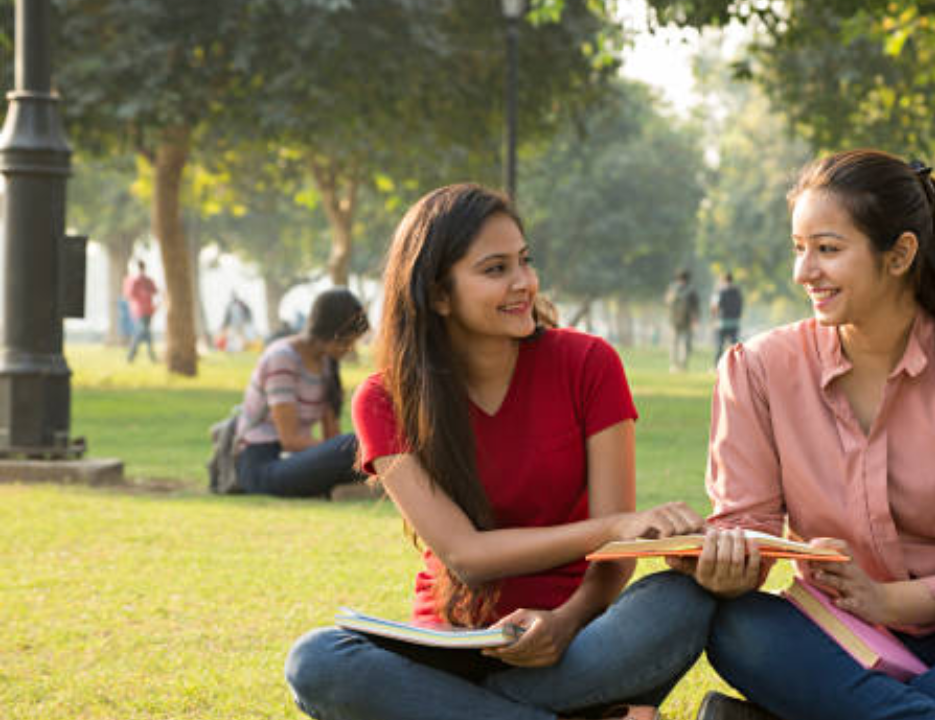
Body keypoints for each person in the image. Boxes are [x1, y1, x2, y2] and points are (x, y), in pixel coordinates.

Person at [675, 150, 935, 720]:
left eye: (828, 250)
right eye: (799, 249)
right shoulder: (758, 370)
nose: (804, 273)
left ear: (900, 253)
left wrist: (891, 599)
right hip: (834, 640)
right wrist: (725, 563)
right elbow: (748, 526)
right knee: (740, 626)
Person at [284, 184, 714, 720]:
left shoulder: (589, 364)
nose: (523, 283)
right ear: (439, 294)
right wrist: (614, 527)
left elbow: (614, 562)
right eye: (495, 269)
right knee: (317, 660)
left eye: (524, 262)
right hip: (452, 650)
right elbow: (465, 555)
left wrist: (569, 618)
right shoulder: (384, 399)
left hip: (577, 644)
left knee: (682, 600)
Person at [233, 288, 369, 498]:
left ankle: (344, 489)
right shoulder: (282, 359)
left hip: (294, 461)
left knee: (364, 449)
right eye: (348, 341)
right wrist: (341, 450)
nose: (350, 348)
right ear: (333, 332)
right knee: (356, 446)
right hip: (262, 464)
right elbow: (291, 440)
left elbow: (331, 437)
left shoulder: (326, 365)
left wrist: (337, 452)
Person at [123, 259, 160, 362]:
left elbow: (155, 292)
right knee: (143, 331)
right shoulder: (135, 280)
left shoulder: (145, 280)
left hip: (146, 310)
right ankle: (148, 356)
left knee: (143, 332)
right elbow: (129, 295)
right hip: (141, 310)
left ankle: (133, 356)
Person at [664, 269, 699, 371]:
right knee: (681, 343)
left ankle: (677, 365)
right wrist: (695, 319)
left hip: (678, 320)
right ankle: (679, 365)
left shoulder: (675, 289)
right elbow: (695, 307)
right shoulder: (687, 290)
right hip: (681, 320)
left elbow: (666, 303)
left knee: (679, 343)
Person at [709, 271, 744, 364]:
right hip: (734, 322)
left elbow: (714, 307)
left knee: (719, 345)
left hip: (721, 322)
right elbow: (740, 305)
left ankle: (717, 365)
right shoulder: (737, 292)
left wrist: (712, 319)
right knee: (734, 346)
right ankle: (737, 365)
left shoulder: (719, 291)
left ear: (723, 280)